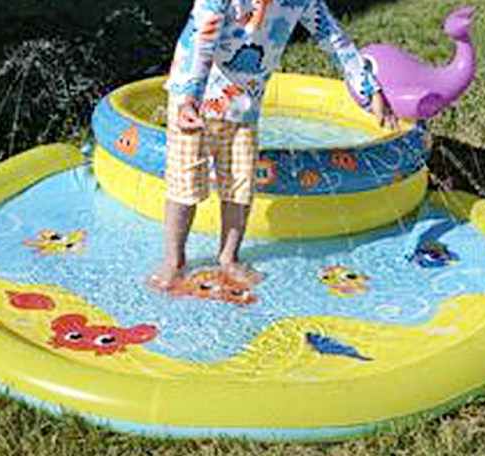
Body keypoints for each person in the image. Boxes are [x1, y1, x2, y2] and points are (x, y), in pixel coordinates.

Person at [150, 0, 394, 290]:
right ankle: (174, 259)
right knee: (184, 182)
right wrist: (191, 97)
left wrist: (368, 86)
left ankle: (228, 257)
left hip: (244, 103)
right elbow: (204, 39)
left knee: (240, 183)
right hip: (191, 99)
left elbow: (332, 35)